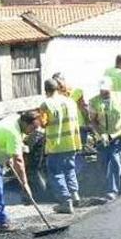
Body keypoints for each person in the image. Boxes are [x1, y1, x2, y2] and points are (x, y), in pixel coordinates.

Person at [0, 111, 42, 231]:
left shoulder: (17, 120)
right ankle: (1, 222)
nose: (33, 131)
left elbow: (11, 146)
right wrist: (25, 184)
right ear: (25, 123)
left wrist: (8, 155)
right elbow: (18, 160)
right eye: (33, 127)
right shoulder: (12, 132)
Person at [39, 78, 83, 214]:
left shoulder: (46, 104)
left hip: (56, 145)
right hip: (72, 142)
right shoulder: (70, 101)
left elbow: (44, 124)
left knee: (56, 172)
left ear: (45, 90)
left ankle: (65, 202)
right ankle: (75, 195)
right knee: (69, 168)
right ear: (57, 88)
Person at [52, 72, 90, 177]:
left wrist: (88, 122)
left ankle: (75, 175)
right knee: (77, 152)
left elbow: (83, 108)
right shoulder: (75, 91)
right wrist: (88, 122)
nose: (59, 84)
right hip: (75, 126)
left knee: (72, 152)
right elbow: (83, 108)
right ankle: (76, 175)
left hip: (72, 127)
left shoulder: (56, 95)